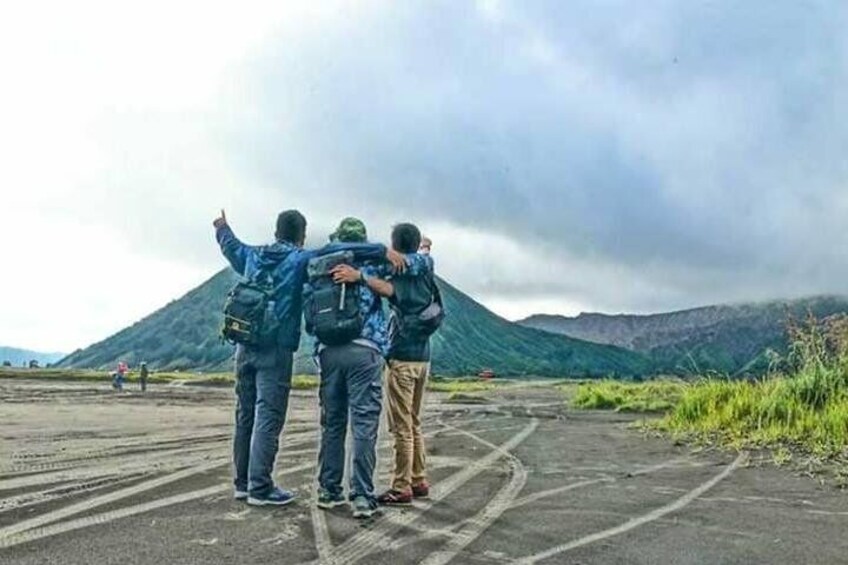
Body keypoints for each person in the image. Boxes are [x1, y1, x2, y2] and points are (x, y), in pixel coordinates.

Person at [214, 209, 399, 507]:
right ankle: (260, 487)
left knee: (244, 414)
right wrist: (379, 250)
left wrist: (222, 226)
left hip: (244, 346)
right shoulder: (300, 259)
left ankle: (243, 483)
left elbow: (229, 245)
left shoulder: (252, 256)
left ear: (276, 231)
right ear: (301, 235)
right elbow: (336, 251)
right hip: (276, 347)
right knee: (267, 415)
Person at [310, 218, 430, 518]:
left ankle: (328, 489)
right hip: (366, 350)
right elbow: (415, 269)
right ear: (363, 239)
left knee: (333, 424)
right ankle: (362, 495)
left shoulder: (320, 263)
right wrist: (414, 252)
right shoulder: (377, 262)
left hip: (327, 351)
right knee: (364, 425)